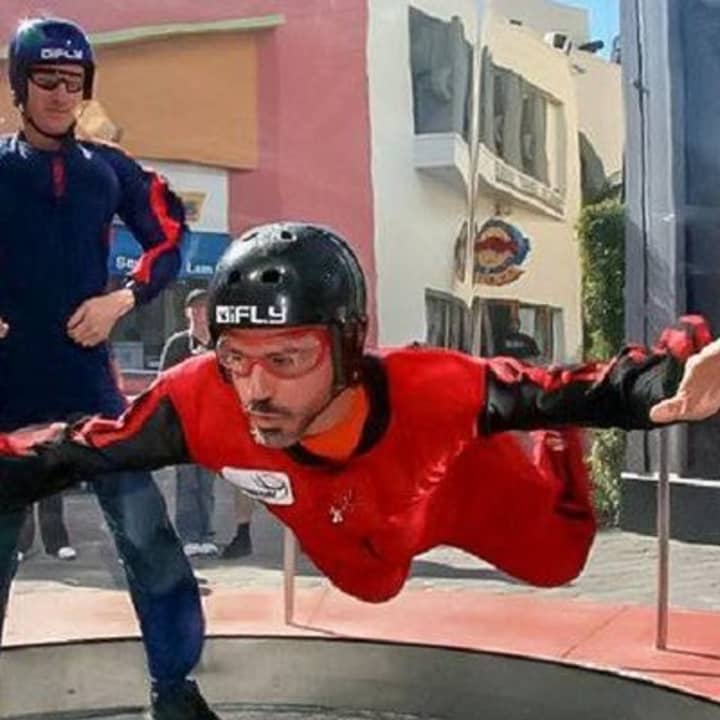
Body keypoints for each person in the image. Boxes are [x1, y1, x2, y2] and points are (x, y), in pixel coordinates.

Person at [0, 222, 717, 607]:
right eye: (235, 357)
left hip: (450, 480)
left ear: (349, 345)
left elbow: (574, 384)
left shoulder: (433, 387)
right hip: (352, 527)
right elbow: (76, 449)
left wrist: (673, 373)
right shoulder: (198, 398)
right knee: (369, 583)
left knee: (558, 561)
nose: (255, 391)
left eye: (288, 357)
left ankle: (552, 447)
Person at [0, 18, 218, 719]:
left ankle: (175, 693)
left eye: (74, 81)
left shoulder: (109, 169)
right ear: (19, 85)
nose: (61, 94)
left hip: (93, 400)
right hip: (5, 406)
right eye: (46, 79)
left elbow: (172, 235)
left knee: (153, 547)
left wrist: (122, 299)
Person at [159, 289, 219, 557]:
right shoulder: (177, 344)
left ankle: (206, 534)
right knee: (187, 482)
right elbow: (163, 382)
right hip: (183, 424)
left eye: (203, 308)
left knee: (207, 484)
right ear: (187, 313)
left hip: (212, 425)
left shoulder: (220, 343)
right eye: (194, 308)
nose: (199, 313)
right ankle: (189, 536)